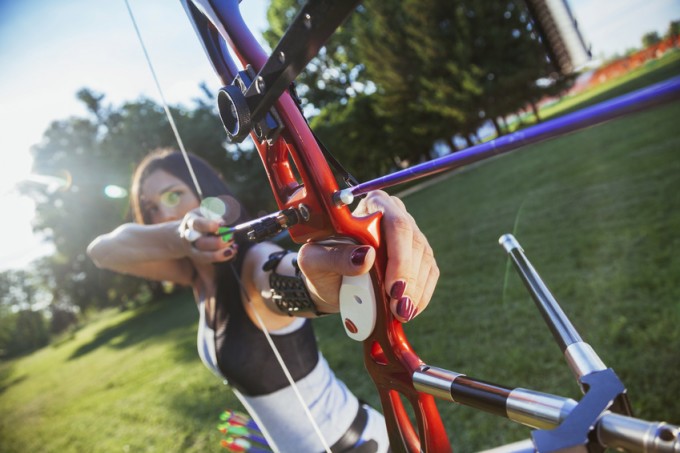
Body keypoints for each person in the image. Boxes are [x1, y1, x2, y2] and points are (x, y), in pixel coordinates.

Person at [87, 149, 439, 452]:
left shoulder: (254, 263)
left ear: (205, 193)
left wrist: (335, 272)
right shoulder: (194, 275)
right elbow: (102, 251)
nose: (161, 214)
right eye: (149, 209)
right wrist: (179, 235)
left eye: (173, 195)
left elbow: (297, 282)